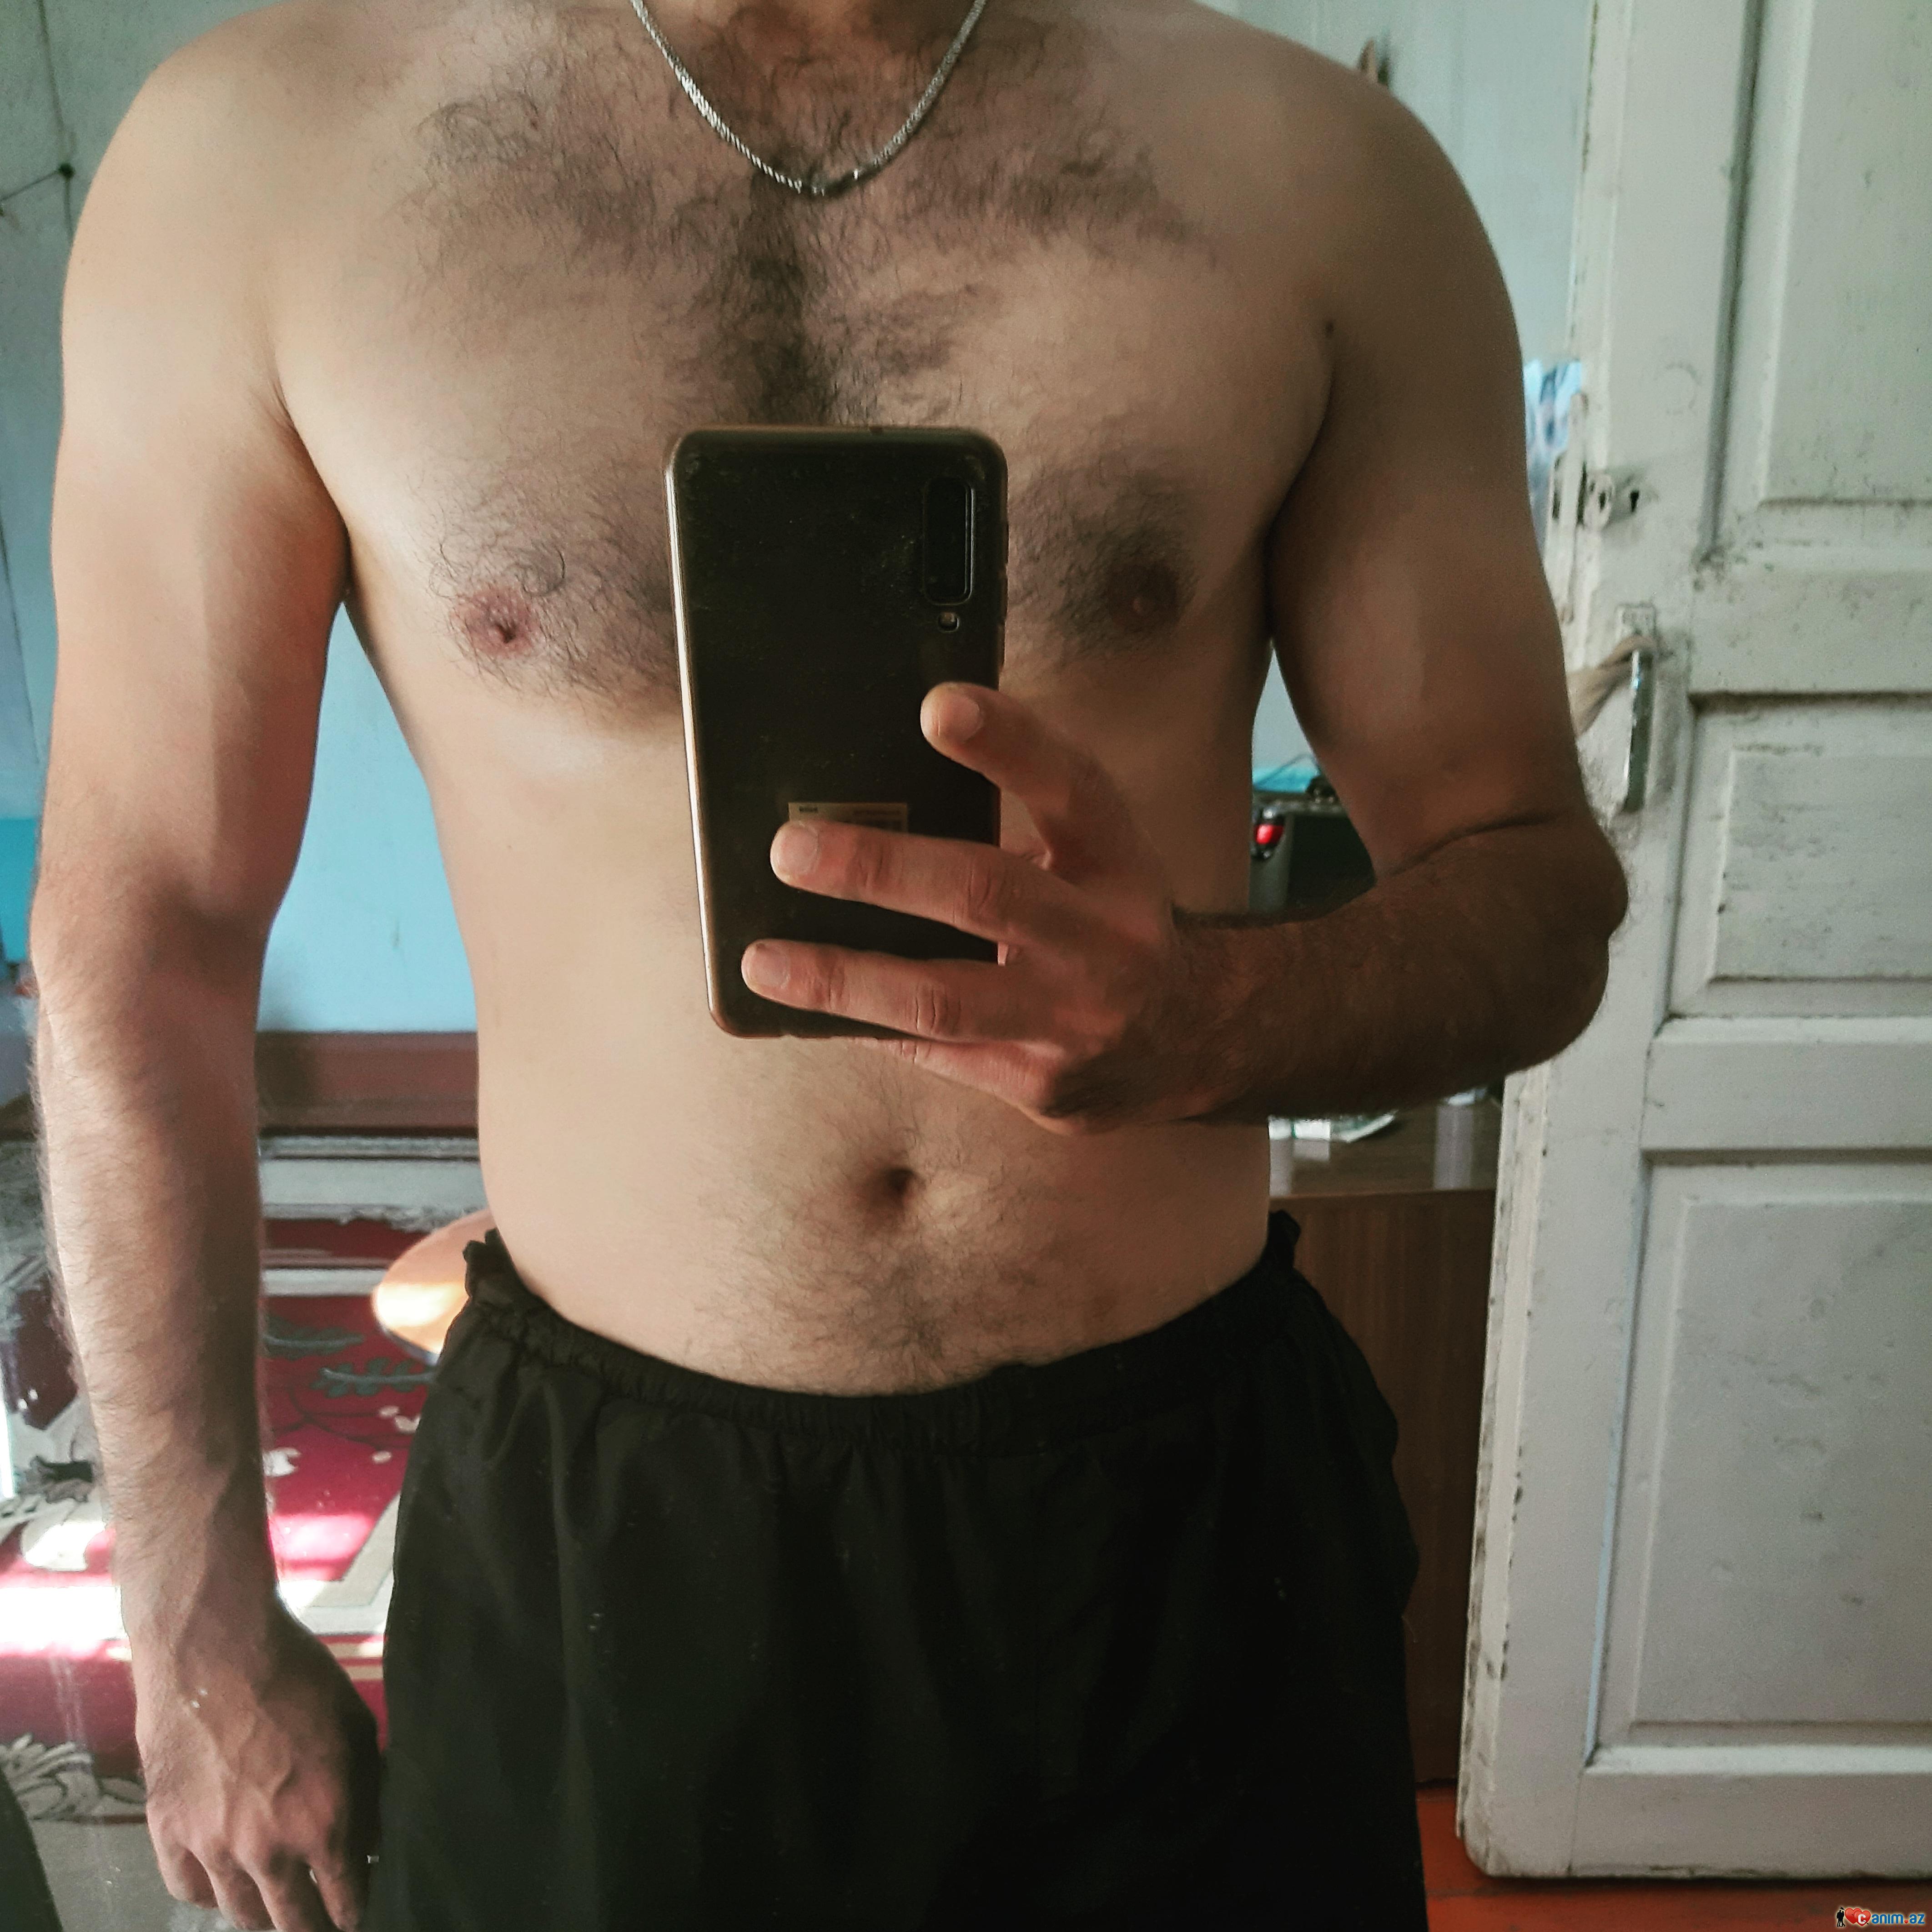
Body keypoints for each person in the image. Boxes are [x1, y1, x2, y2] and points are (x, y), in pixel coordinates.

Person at [32, 0, 1626, 1925]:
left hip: (1171, 1524)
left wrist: (1214, 1014)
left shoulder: (1314, 179)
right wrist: (193, 1618)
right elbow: (151, 940)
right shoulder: (261, 170)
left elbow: (1536, 894)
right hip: (619, 1538)